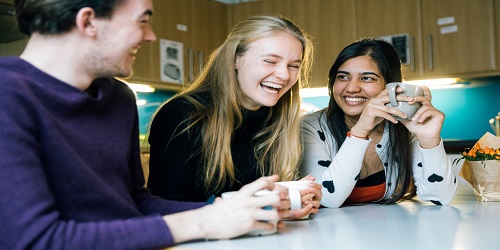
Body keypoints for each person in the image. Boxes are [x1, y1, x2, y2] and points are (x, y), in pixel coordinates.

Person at [0, 1, 290, 249]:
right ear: (88, 21)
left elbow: (136, 203)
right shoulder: (8, 95)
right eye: (142, 21)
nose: (151, 36)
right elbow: (33, 240)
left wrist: (238, 210)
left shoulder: (119, 97)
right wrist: (203, 221)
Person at [147, 15, 321, 219]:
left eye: (294, 66)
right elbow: (167, 207)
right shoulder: (183, 115)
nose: (284, 75)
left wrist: (293, 201)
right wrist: (260, 209)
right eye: (270, 61)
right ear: (235, 59)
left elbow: (261, 199)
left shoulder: (279, 120)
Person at [300, 38, 458, 208]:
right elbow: (326, 198)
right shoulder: (310, 127)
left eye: (367, 78)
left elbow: (442, 196)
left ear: (390, 86)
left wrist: (429, 140)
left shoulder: (404, 126)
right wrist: (360, 130)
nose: (352, 88)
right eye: (343, 77)